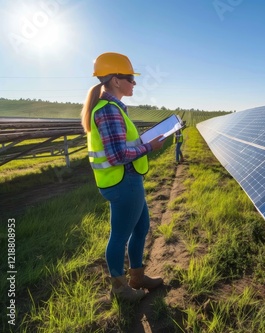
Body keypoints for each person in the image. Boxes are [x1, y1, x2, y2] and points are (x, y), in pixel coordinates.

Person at [80, 52, 165, 301]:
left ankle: (137, 277)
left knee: (142, 228)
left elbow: (122, 144)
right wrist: (149, 147)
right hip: (122, 181)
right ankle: (119, 289)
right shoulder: (108, 110)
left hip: (127, 180)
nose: (134, 82)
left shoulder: (115, 107)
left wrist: (144, 139)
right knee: (119, 237)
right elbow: (118, 155)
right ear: (116, 80)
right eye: (130, 77)